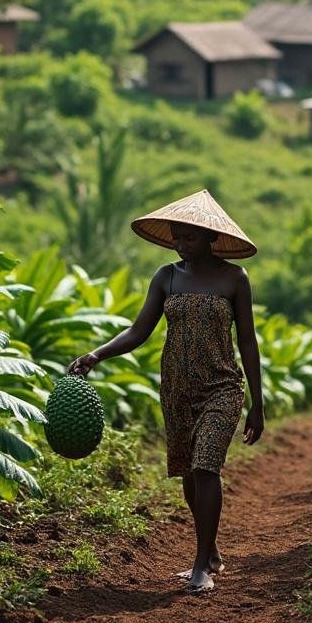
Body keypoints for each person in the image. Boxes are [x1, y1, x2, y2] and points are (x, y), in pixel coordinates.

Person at [67, 190, 265, 594]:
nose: (181, 244)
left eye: (189, 237)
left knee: (207, 465)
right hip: (176, 388)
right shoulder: (167, 277)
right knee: (189, 475)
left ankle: (200, 565)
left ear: (210, 238)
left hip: (222, 386)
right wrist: (97, 354)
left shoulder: (234, 279)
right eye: (176, 237)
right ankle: (211, 549)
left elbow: (247, 341)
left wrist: (257, 404)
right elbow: (139, 331)